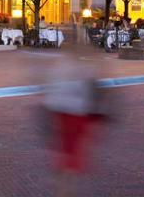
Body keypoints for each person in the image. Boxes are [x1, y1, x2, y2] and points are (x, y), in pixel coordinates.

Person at [43, 51, 109, 197]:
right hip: (76, 114)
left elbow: (52, 92)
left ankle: (64, 186)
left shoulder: (60, 67)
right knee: (71, 153)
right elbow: (93, 91)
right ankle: (65, 189)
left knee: (66, 151)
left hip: (63, 113)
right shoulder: (83, 69)